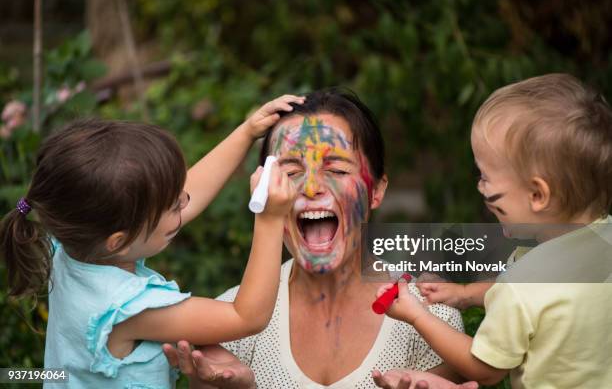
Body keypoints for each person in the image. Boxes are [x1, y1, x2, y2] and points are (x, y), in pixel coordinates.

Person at [164, 88, 476, 389]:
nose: (311, 187)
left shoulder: (434, 321)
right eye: (290, 170)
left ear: (377, 191)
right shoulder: (226, 322)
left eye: (337, 170)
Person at [0, 95, 304, 388]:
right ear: (118, 241)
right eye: (173, 205)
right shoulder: (129, 309)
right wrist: (269, 218)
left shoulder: (74, 237)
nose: (185, 199)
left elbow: (181, 196)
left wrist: (246, 131)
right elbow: (245, 316)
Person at [377, 73, 612, 388]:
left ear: (538, 195)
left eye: (487, 177)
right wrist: (465, 295)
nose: (480, 186)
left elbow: (484, 368)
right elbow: (546, 302)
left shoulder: (521, 284)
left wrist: (418, 316)